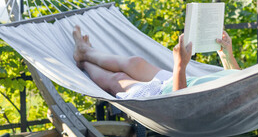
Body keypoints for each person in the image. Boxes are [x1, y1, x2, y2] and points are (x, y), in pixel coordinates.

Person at [72, 25, 241, 99]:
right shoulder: (256, 84)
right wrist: (226, 54)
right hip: (187, 84)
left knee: (118, 78)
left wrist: (180, 66)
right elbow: (238, 82)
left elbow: (181, 105)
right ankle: (86, 52)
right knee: (136, 62)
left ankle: (84, 61)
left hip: (167, 97)